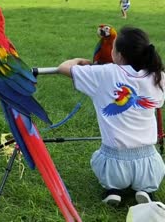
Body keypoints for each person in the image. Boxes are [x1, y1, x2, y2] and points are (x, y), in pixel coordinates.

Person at [58, 26, 165, 206]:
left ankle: (113, 190)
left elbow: (63, 68)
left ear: (119, 55)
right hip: (149, 165)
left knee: (99, 158)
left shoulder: (104, 73)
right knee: (147, 175)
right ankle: (145, 190)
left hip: (114, 164)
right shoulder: (158, 77)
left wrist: (79, 61)